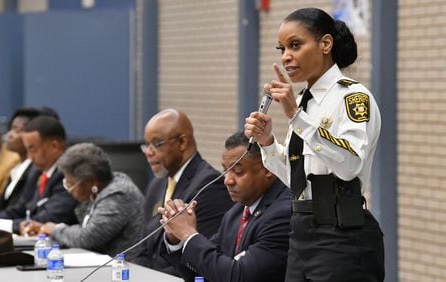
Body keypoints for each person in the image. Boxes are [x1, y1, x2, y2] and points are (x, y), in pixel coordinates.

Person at [244, 7, 384, 281]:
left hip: (342, 237)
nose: (286, 56)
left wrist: (297, 117)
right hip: (301, 233)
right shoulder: (302, 101)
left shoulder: (352, 97)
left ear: (326, 44)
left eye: (295, 45)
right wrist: (268, 143)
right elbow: (297, 181)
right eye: (281, 48)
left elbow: (350, 166)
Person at [159, 132, 291, 282]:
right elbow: (204, 272)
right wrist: (177, 238)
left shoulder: (283, 214)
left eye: (238, 171)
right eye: (225, 171)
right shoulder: (235, 213)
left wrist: (188, 234)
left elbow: (238, 276)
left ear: (268, 168)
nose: (227, 180)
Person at [132, 109, 233, 276]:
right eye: (147, 145)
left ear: (182, 142)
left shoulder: (209, 186)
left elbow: (200, 257)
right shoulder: (157, 184)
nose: (148, 152)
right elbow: (143, 248)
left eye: (156, 144)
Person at [24, 143, 145, 258]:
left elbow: (87, 238)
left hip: (124, 270)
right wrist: (47, 230)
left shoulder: (118, 195)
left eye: (70, 184)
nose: (69, 190)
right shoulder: (99, 191)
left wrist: (55, 230)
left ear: (92, 181)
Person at [0, 116, 79, 234]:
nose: (29, 156)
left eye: (33, 149)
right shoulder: (37, 173)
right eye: (27, 149)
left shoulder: (70, 174)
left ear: (54, 146)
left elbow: (49, 218)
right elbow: (22, 208)